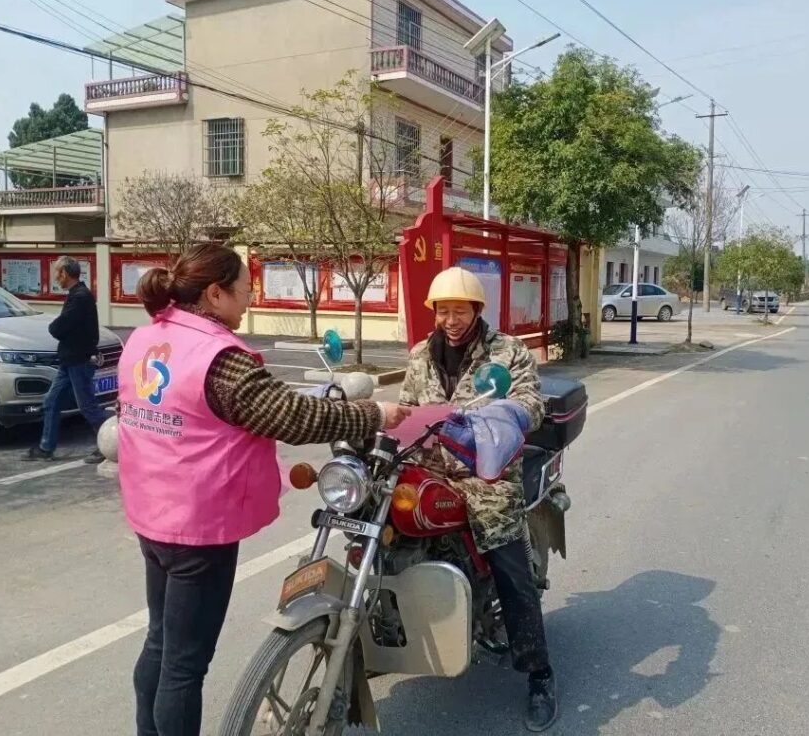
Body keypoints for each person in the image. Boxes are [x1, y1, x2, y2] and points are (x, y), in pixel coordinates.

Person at [117, 243, 408, 736]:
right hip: (198, 527)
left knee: (160, 644)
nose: (249, 299)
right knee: (184, 666)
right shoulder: (220, 359)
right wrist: (373, 413)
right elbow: (293, 417)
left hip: (152, 513)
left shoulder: (145, 338)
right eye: (243, 290)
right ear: (215, 294)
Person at [399, 266, 558, 732]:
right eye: (443, 310)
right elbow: (408, 407)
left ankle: (540, 674)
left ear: (477, 310)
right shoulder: (419, 355)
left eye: (459, 310)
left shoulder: (507, 352)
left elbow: (533, 404)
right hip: (430, 468)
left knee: (509, 566)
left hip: (486, 475)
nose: (450, 319)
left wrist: (498, 413)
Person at [25, 255, 108, 463]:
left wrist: (56, 328)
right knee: (51, 402)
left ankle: (109, 444)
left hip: (79, 360)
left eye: (57, 273)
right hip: (69, 360)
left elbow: (59, 327)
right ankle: (46, 447)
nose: (55, 277)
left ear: (65, 273)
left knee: (88, 406)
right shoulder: (77, 294)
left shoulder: (80, 297)